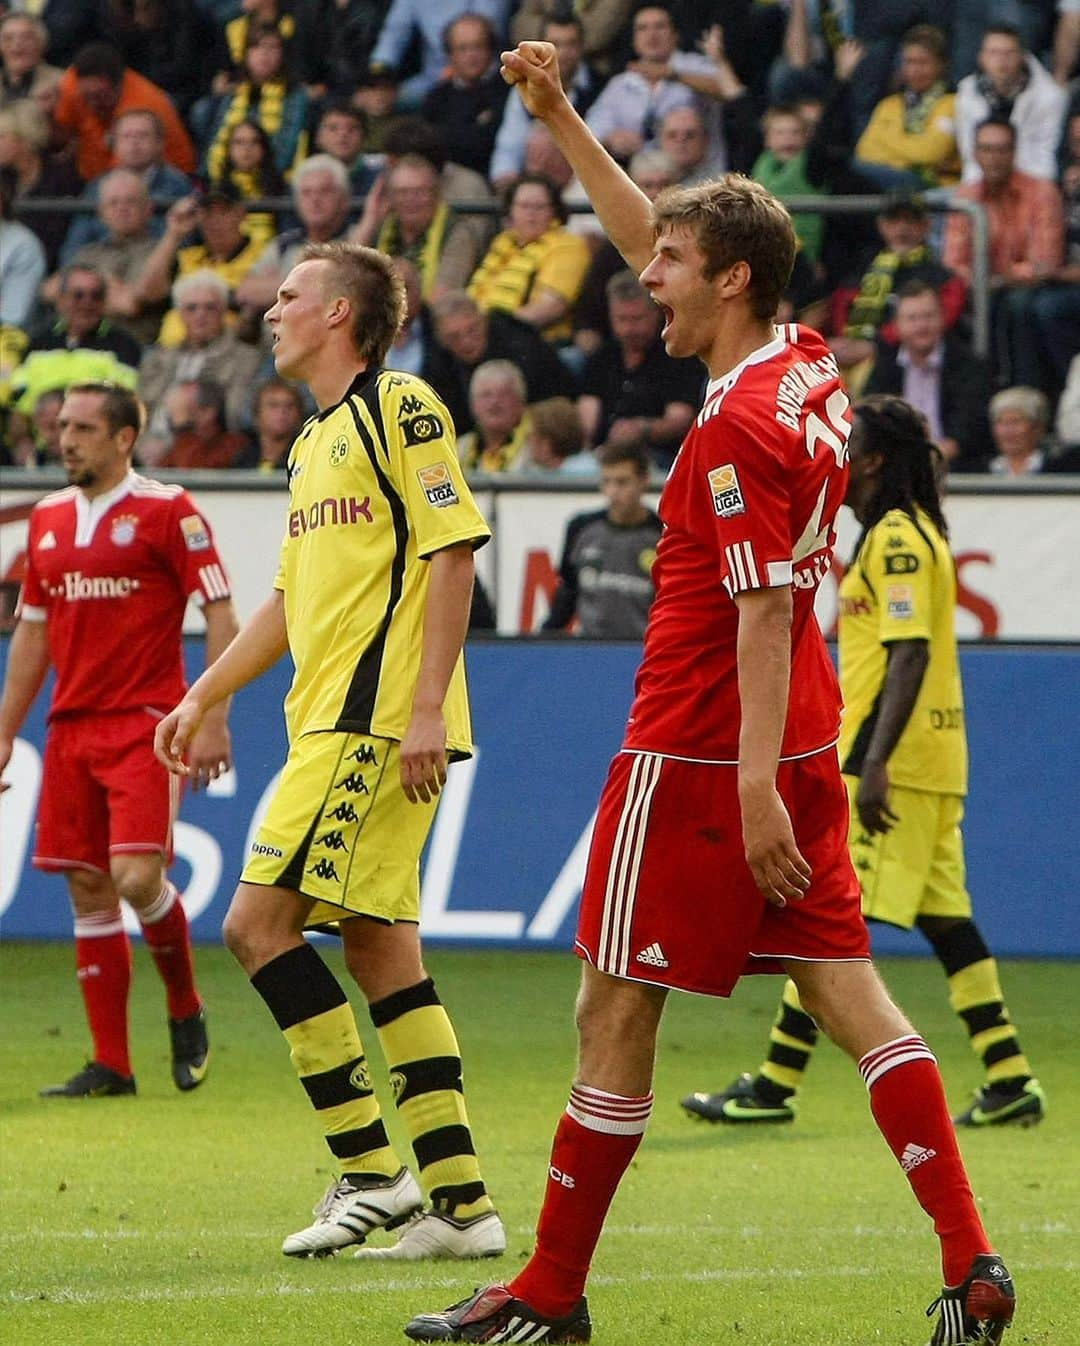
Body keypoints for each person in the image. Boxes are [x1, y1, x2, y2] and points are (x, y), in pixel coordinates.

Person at [404, 39, 1017, 1346]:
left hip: (700, 750)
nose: (645, 285)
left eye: (671, 271)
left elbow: (751, 606)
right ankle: (972, 1261)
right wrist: (563, 119)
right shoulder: (802, 364)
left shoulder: (733, 428)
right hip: (801, 733)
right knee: (856, 1000)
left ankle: (549, 1294)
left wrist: (743, 790)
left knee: (612, 1007)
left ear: (730, 280)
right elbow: (664, 237)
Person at [153, 240, 507, 1263]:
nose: (270, 310)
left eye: (289, 295)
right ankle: (460, 1201)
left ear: (341, 312)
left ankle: (368, 1171)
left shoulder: (403, 408)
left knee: (257, 925)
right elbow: (289, 599)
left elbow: (451, 552)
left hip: (379, 721)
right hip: (335, 718)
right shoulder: (313, 445)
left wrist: (428, 706)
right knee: (381, 950)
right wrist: (207, 690)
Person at [681, 395, 1045, 1130]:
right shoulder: (901, 535)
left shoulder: (896, 541)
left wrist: (872, 764)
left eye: (846, 449)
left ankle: (774, 1086)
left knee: (817, 921)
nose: (835, 461)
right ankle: (1009, 1076)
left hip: (895, 765)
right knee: (948, 920)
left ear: (874, 460)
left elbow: (907, 654)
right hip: (928, 760)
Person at [0, 381, 238, 1098]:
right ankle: (113, 1064)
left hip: (147, 723)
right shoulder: (44, 521)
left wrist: (212, 715)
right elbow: (32, 638)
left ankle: (184, 1004)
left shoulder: (170, 512)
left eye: (81, 428)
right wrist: (5, 733)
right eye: (61, 426)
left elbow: (223, 613)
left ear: (123, 439)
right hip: (71, 727)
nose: (63, 438)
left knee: (137, 877)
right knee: (87, 887)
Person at [863, 280, 993, 473]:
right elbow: (871, 417)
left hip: (957, 471)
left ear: (942, 318)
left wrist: (926, 460)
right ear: (897, 326)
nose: (921, 326)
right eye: (912, 319)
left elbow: (969, 431)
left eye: (928, 316)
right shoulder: (886, 365)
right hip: (896, 470)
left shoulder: (968, 364)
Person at [577, 267, 700, 469]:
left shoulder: (678, 357)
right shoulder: (602, 357)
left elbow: (679, 420)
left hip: (659, 459)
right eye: (621, 320)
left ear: (657, 313)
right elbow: (586, 422)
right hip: (602, 458)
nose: (628, 329)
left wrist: (641, 429)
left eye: (637, 319)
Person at [542, 440, 660, 637]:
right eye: (607, 481)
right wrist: (543, 638)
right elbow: (568, 593)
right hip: (592, 650)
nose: (613, 492)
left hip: (644, 649)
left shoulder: (662, 535)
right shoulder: (581, 528)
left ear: (643, 481)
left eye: (622, 482)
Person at [467, 172, 590, 343]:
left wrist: (490, 332)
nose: (531, 215)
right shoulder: (503, 241)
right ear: (510, 210)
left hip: (535, 342)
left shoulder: (568, 246)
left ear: (554, 211)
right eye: (523, 206)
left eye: (539, 207)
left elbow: (549, 308)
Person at [59, 107, 192, 264]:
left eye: (142, 136)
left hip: (153, 267)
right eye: (126, 136)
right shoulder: (96, 186)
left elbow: (184, 244)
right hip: (100, 269)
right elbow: (75, 243)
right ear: (114, 143)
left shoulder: (178, 185)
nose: (134, 143)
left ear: (160, 143)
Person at [53, 41, 196, 183]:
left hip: (159, 184)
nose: (92, 104)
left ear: (119, 86)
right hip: (93, 178)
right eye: (86, 96)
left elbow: (127, 166)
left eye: (100, 96)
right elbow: (59, 135)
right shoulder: (72, 82)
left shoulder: (145, 105)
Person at [853, 24, 960, 193]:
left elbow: (931, 152)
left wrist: (888, 141)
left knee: (852, 169)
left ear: (941, 65)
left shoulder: (953, 104)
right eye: (909, 62)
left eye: (923, 62)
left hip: (935, 186)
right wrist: (908, 158)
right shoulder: (889, 105)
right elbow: (865, 150)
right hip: (889, 182)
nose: (915, 70)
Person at [955, 24, 1067, 183]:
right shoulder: (966, 93)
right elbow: (970, 156)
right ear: (981, 57)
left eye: (1009, 53)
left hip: (1032, 186)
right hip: (980, 185)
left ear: (1022, 56)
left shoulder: (1050, 97)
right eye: (994, 53)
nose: (1001, 60)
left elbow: (1045, 158)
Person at [419, 14, 510, 179]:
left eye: (478, 46)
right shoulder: (435, 98)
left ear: (491, 49)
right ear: (449, 53)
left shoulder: (508, 90)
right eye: (463, 48)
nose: (471, 55)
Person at [455, 358, 529, 473]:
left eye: (504, 394)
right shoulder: (459, 449)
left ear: (521, 401)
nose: (494, 402)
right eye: (486, 395)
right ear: (473, 404)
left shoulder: (538, 445)